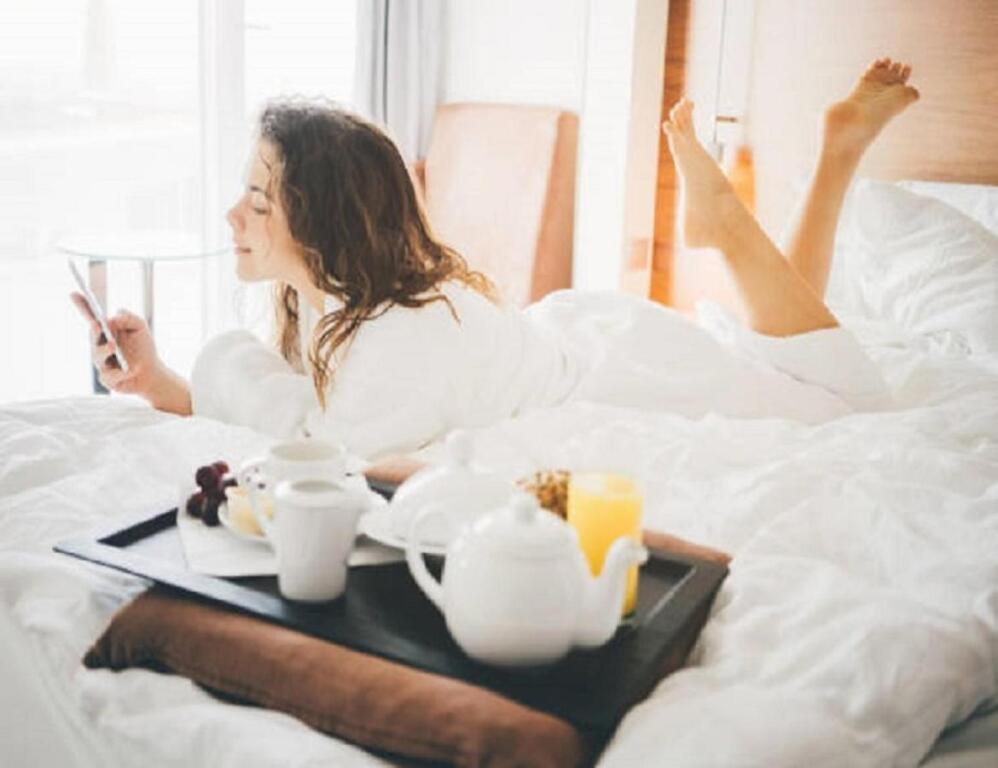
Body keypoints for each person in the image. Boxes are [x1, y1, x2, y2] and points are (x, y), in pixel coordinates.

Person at [74, 59, 919, 460]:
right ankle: (837, 155)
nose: (234, 215)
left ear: (323, 223)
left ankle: (729, 223)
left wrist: (210, 366)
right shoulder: (332, 297)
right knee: (801, 367)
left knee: (851, 406)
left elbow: (311, 440)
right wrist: (157, 383)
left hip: (623, 380)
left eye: (260, 201)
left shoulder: (403, 333)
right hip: (590, 340)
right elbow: (288, 406)